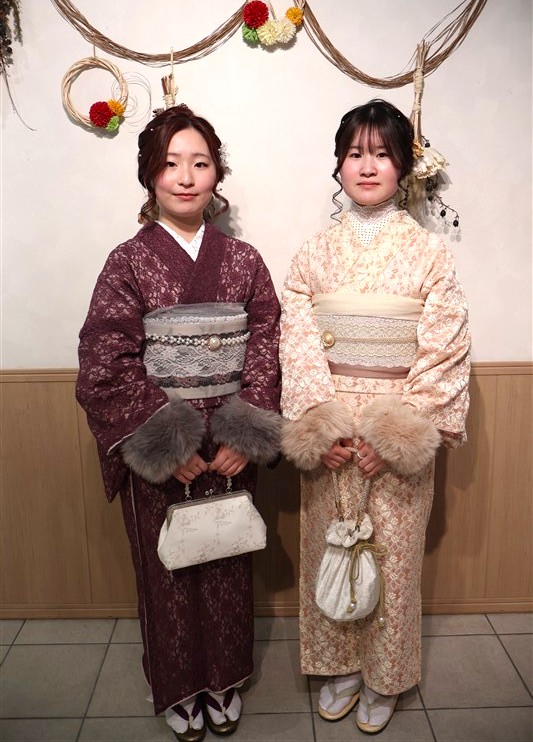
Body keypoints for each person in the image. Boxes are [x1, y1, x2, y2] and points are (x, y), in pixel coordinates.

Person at [76, 104, 281, 742]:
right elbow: (105, 360)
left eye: (200, 163)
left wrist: (248, 433)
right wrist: (164, 445)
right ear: (150, 176)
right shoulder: (127, 262)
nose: (186, 177)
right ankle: (178, 686)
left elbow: (268, 343)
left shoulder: (244, 260)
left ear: (217, 173)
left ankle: (224, 679)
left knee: (227, 558)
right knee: (167, 569)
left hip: (230, 445)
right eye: (170, 164)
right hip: (161, 447)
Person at [279, 99, 470, 734]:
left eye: (382, 154)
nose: (367, 166)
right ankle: (338, 667)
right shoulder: (312, 254)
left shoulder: (430, 254)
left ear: (403, 167)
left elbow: (445, 348)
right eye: (355, 153)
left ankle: (384, 676)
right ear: (338, 164)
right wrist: (318, 427)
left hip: (396, 431)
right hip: (333, 431)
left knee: (392, 557)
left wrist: (397, 437)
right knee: (328, 547)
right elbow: (297, 340)